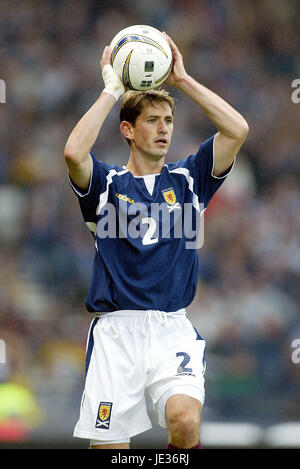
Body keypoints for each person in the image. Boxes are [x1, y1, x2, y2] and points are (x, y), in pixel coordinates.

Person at [64, 32, 248, 450]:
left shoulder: (189, 180)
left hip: (172, 328)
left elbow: (237, 129)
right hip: (116, 333)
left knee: (185, 421)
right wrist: (112, 90)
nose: (164, 129)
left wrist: (183, 80)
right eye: (152, 121)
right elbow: (74, 153)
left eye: (168, 121)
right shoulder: (107, 185)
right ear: (128, 129)